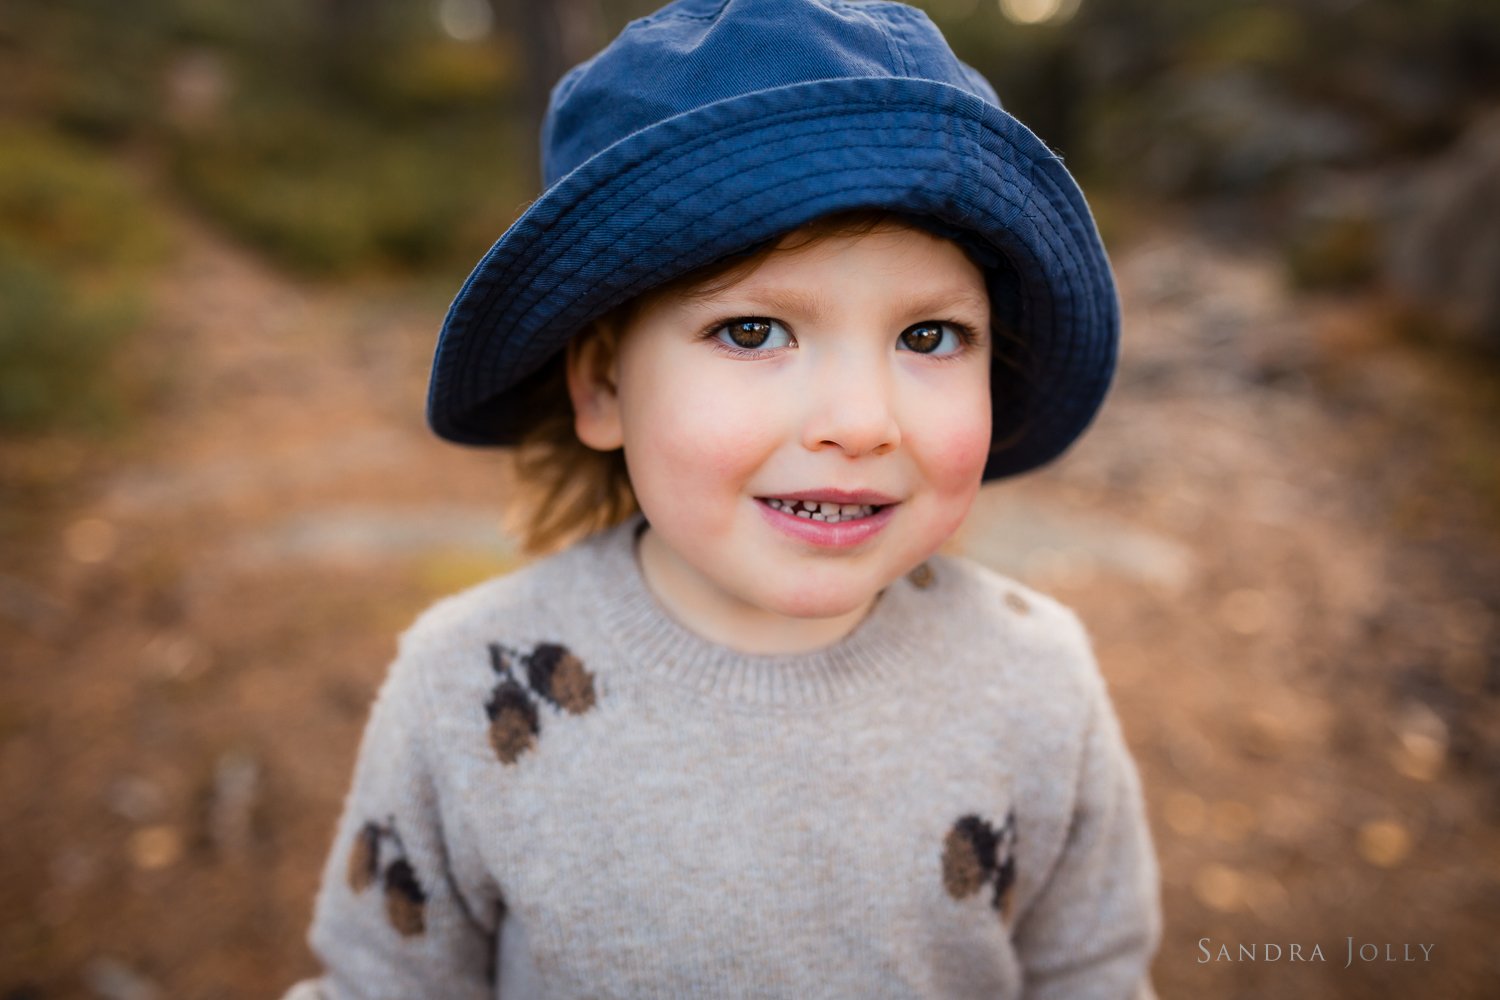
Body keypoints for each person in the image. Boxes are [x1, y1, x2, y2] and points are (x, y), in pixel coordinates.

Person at [285, 0, 1161, 996]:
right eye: (753, 331)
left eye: (928, 337)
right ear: (604, 384)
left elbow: (1091, 975)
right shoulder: (463, 686)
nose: (861, 420)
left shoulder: (1036, 682)